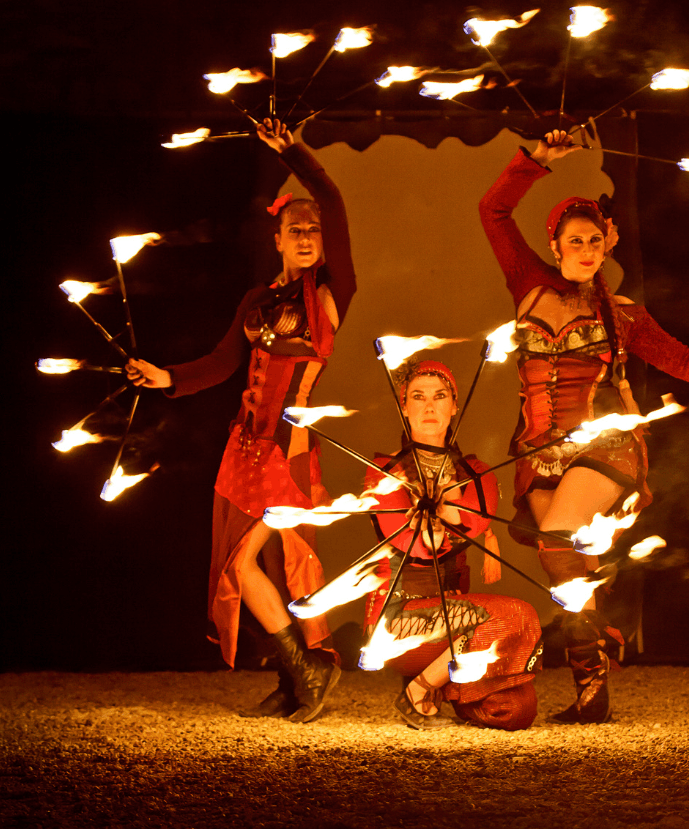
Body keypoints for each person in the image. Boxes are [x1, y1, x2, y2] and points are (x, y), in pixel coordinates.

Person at [479, 129, 689, 724]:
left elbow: (687, 363)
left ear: (604, 247)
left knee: (560, 533)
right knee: (563, 571)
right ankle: (592, 686)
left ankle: (599, 636)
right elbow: (493, 209)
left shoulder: (623, 316)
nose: (585, 249)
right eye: (573, 241)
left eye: (593, 240)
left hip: (605, 444)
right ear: (554, 247)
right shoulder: (527, 285)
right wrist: (536, 162)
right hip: (536, 452)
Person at [126, 119, 355, 722]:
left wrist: (293, 152)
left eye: (313, 230)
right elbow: (224, 362)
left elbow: (330, 198)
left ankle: (312, 668)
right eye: (294, 229)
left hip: (287, 446)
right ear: (276, 239)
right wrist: (167, 377)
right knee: (258, 565)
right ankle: (290, 676)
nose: (306, 235)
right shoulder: (257, 300)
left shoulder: (331, 292)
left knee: (242, 564)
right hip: (244, 446)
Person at [363, 360, 542, 731]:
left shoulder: (478, 475)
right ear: (404, 407)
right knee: (518, 614)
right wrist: (434, 505)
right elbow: (416, 544)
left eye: (439, 396)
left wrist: (448, 490)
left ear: (454, 406)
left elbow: (471, 525)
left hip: (462, 628)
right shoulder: (382, 473)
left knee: (515, 710)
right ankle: (420, 687)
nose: (429, 406)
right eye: (418, 396)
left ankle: (444, 685)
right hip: (399, 623)